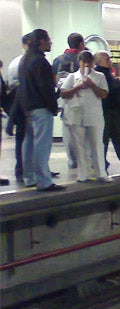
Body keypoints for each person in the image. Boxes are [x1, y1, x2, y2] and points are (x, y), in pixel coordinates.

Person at [18, 29, 65, 191]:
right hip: (40, 107)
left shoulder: (25, 60)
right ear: (41, 41)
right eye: (48, 39)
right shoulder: (40, 62)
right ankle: (44, 181)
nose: (50, 42)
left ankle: (29, 177)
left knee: (29, 143)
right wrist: (53, 106)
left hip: (28, 108)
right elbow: (45, 88)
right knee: (42, 145)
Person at [60, 50, 111, 182]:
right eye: (84, 63)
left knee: (97, 144)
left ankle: (101, 172)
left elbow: (104, 94)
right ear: (79, 63)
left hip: (94, 115)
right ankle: (83, 173)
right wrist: (78, 87)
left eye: (89, 63)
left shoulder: (99, 76)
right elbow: (64, 93)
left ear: (93, 62)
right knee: (80, 145)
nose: (87, 66)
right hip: (77, 115)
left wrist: (92, 86)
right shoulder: (72, 77)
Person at [53, 32, 85, 169]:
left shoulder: (57, 60)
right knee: (81, 131)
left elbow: (54, 80)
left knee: (68, 130)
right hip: (80, 98)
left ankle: (72, 160)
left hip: (64, 99)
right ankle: (82, 159)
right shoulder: (82, 59)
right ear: (81, 44)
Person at [6, 33, 30, 182]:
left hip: (18, 103)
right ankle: (23, 169)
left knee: (22, 139)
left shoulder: (15, 62)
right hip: (24, 103)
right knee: (25, 138)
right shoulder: (24, 62)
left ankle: (21, 168)